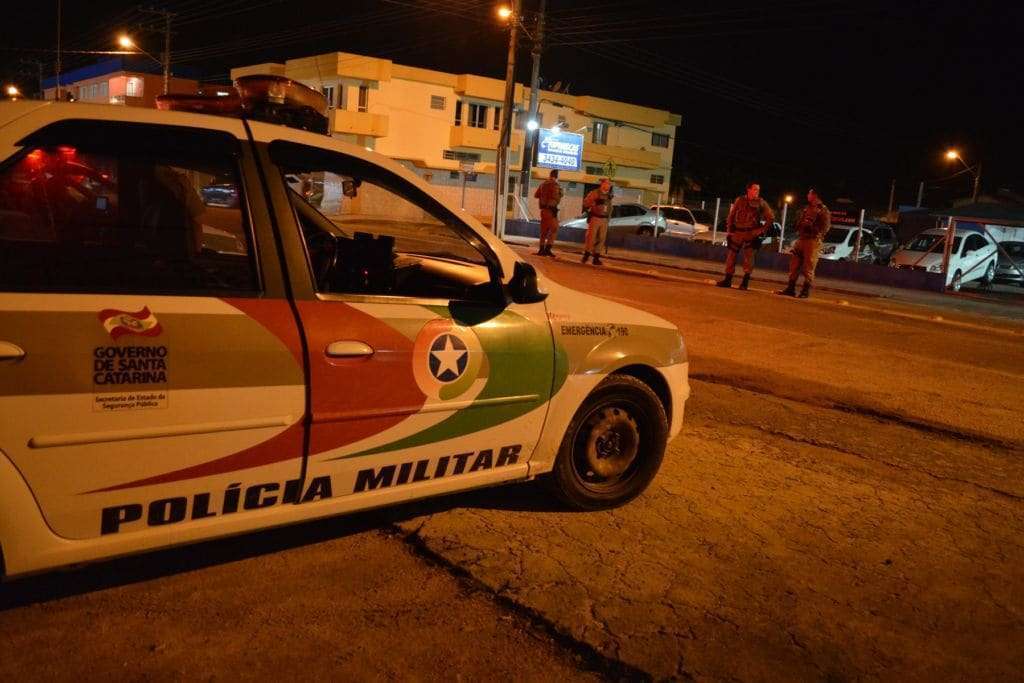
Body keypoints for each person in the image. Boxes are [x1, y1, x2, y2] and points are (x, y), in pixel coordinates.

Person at [717, 182, 774, 290]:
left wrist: (760, 230)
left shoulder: (761, 202)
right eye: (755, 189)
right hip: (737, 232)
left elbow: (770, 218)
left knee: (749, 258)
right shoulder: (740, 200)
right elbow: (731, 215)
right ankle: (728, 279)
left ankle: (745, 282)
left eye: (758, 190)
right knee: (731, 256)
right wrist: (729, 230)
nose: (757, 192)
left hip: (750, 234)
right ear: (748, 189)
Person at [778, 188, 831, 298]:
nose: (807, 195)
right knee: (794, 264)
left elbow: (825, 228)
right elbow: (799, 221)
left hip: (812, 241)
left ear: (814, 195)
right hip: (801, 239)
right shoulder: (806, 208)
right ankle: (790, 288)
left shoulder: (823, 210)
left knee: (809, 266)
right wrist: (798, 225)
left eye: (809, 193)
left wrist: (812, 229)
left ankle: (805, 291)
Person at [582, 177, 612, 266]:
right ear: (602, 184)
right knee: (591, 237)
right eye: (607, 184)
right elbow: (586, 203)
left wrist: (608, 219)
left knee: (601, 238)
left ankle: (596, 257)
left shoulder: (608, 196)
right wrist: (595, 203)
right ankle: (586, 255)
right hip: (595, 217)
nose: (608, 186)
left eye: (609, 184)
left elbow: (610, 208)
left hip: (604, 219)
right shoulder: (595, 193)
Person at [533, 169, 563, 256]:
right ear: (556, 176)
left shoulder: (543, 184)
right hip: (551, 210)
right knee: (555, 229)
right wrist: (560, 193)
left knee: (544, 231)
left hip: (543, 210)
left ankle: (541, 250)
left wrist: (543, 196)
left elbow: (536, 195)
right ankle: (547, 249)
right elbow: (556, 196)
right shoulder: (555, 184)